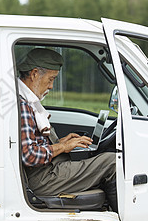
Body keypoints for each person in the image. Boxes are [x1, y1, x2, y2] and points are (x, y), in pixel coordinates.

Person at [17, 48, 118, 212]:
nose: (51, 86)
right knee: (112, 162)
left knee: (102, 160)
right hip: (43, 178)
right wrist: (62, 147)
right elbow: (29, 155)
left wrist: (62, 142)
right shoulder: (23, 105)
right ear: (35, 73)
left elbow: (33, 142)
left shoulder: (28, 100)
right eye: (50, 79)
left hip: (46, 171)